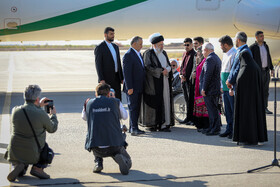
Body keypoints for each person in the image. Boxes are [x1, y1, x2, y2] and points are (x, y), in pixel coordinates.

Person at [5, 85, 58, 181]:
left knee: (21, 149)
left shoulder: (15, 110)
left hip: (14, 151)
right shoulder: (40, 114)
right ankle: (37, 168)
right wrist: (53, 115)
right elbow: (52, 129)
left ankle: (19, 166)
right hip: (33, 152)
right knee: (47, 150)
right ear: (37, 99)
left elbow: (28, 111)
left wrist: (37, 105)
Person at [82, 83, 131, 175]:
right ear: (109, 94)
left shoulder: (88, 103)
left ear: (96, 93)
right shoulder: (116, 102)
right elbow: (125, 116)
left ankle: (98, 162)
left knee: (93, 132)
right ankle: (119, 156)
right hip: (114, 144)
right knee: (118, 133)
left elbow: (84, 117)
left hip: (96, 146)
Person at [231, 33, 268, 145]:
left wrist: (232, 81)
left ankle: (246, 137)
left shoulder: (245, 67)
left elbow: (238, 72)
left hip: (246, 100)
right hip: (253, 99)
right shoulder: (254, 67)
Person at [140, 33, 174, 132]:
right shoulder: (148, 53)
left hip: (165, 81)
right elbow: (148, 67)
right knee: (156, 103)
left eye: (162, 44)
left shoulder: (164, 53)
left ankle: (165, 123)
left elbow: (168, 65)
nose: (162, 46)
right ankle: (154, 124)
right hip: (153, 84)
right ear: (154, 45)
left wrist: (167, 70)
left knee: (165, 101)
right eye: (160, 45)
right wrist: (160, 71)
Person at [123, 36, 145, 136]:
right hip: (132, 88)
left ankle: (133, 127)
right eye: (140, 44)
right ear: (134, 44)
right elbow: (126, 74)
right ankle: (134, 129)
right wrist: (129, 88)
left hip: (138, 86)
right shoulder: (128, 55)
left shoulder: (138, 54)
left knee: (135, 108)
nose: (142, 46)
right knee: (133, 107)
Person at [94, 27, 124, 100]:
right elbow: (98, 65)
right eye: (111, 34)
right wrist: (101, 79)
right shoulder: (100, 47)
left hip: (117, 78)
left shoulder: (115, 47)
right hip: (106, 79)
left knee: (118, 98)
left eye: (113, 34)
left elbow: (118, 63)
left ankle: (117, 111)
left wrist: (122, 77)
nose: (113, 36)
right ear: (105, 35)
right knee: (108, 99)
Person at [249, 31, 274, 114]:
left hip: (266, 71)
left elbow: (268, 57)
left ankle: (265, 107)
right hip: (257, 73)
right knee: (257, 91)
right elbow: (250, 61)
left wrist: (272, 68)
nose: (262, 37)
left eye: (263, 36)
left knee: (265, 91)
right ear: (256, 37)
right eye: (260, 36)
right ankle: (256, 108)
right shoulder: (252, 48)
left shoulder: (266, 46)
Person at [200, 43, 222, 136]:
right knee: (213, 109)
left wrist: (204, 88)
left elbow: (207, 75)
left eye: (202, 51)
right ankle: (212, 127)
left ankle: (215, 129)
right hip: (214, 88)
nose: (202, 53)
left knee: (212, 110)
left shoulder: (210, 59)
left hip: (210, 89)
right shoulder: (216, 57)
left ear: (206, 50)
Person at [218, 35, 237, 139]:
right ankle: (229, 129)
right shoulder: (225, 54)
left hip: (230, 88)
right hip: (225, 88)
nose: (220, 47)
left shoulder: (234, 54)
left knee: (233, 110)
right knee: (228, 111)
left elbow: (233, 73)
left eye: (221, 45)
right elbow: (223, 71)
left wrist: (231, 88)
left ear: (225, 45)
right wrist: (221, 85)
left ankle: (234, 130)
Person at [180, 38, 196, 125]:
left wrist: (188, 78)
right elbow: (182, 67)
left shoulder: (194, 54)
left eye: (188, 45)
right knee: (186, 100)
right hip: (184, 81)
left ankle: (192, 119)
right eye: (185, 45)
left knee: (191, 101)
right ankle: (188, 117)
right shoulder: (184, 54)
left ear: (191, 45)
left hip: (190, 82)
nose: (186, 46)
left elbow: (194, 68)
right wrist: (181, 75)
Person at [193, 47, 209, 131]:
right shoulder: (200, 61)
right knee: (200, 105)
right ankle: (200, 124)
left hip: (202, 86)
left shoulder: (205, 61)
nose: (198, 54)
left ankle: (205, 125)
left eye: (199, 52)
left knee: (204, 106)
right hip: (198, 86)